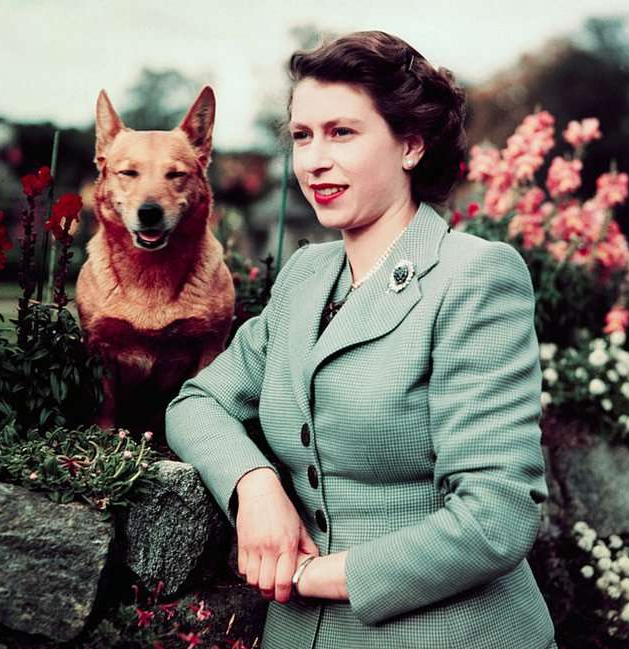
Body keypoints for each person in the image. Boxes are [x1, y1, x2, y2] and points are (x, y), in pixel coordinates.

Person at [165, 30, 557, 649]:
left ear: (409, 144)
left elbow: (496, 516)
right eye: (302, 136)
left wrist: (320, 574)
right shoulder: (304, 276)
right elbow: (197, 404)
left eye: (342, 132)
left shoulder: (475, 275)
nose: (314, 160)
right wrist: (255, 485)